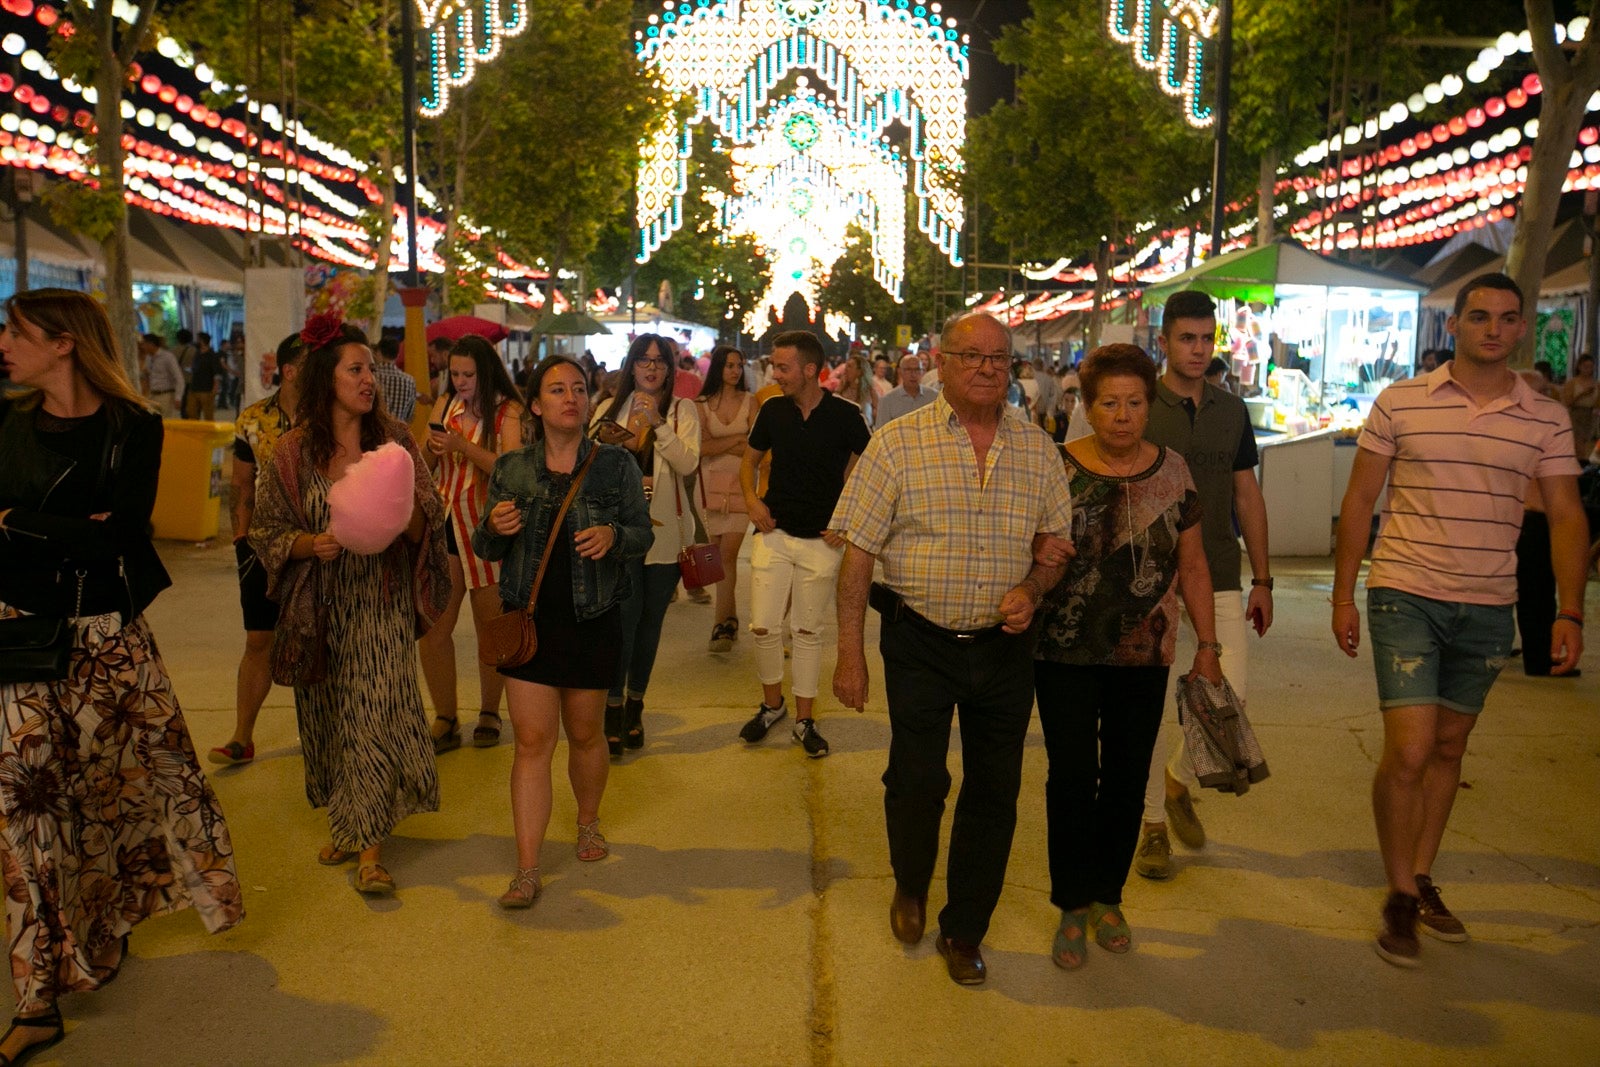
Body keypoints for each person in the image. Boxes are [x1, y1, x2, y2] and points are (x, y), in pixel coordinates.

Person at [0, 288, 244, 1062]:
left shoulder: (133, 428)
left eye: (16, 329)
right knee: (26, 816)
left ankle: (103, 923)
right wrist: (58, 533)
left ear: (64, 342)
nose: (4, 342)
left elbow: (122, 541)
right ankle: (36, 998)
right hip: (19, 639)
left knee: (122, 793)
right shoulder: (1, 425)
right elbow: (81, 538)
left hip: (109, 641)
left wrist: (14, 523)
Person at [1332, 273, 1587, 968]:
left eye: (1508, 318)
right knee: (1411, 749)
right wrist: (1342, 591)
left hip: (1487, 601)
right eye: (1480, 317)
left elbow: (1566, 515)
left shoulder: (1545, 417)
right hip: (1405, 590)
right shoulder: (1401, 401)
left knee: (1448, 748)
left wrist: (1570, 610)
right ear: (1455, 325)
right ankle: (1397, 895)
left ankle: (1419, 873)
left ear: (1521, 328)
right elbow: (1361, 500)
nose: (1494, 329)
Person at [831, 311, 1073, 986]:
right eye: (974, 356)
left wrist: (1034, 584)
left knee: (995, 790)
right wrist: (850, 653)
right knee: (918, 778)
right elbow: (857, 557)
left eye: (1000, 358)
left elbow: (1054, 546)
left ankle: (964, 928)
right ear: (942, 360)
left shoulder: (1035, 448)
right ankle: (910, 881)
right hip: (918, 639)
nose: (989, 369)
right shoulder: (897, 443)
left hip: (1003, 648)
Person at [1033, 343, 1221, 970]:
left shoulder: (1174, 471)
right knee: (1070, 776)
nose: (1122, 415)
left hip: (1146, 650)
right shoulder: (1055, 466)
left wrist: (1209, 648)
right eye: (1109, 403)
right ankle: (1071, 904)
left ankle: (1108, 897)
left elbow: (1194, 565)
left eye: (1134, 403)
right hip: (1062, 650)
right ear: (1087, 407)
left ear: (1149, 406)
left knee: (1125, 778)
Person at [250, 316, 451, 896]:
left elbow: (430, 520)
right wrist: (310, 544)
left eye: (372, 369)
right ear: (326, 377)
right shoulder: (290, 452)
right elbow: (265, 530)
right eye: (356, 369)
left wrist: (401, 513)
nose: (370, 380)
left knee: (371, 713)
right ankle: (349, 816)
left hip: (381, 602)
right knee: (329, 718)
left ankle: (369, 850)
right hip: (318, 605)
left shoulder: (396, 444)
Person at [473, 356, 653, 907]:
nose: (570, 397)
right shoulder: (511, 468)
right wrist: (494, 529)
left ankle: (588, 821)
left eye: (578, 388)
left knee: (585, 735)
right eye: (557, 390)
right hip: (530, 622)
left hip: (594, 617)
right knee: (531, 742)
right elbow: (486, 546)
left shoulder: (615, 465)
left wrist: (613, 535)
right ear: (536, 404)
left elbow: (642, 534)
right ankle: (526, 870)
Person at [1133, 289, 1273, 881]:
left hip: (1216, 568)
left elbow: (1247, 495)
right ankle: (1152, 829)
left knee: (1229, 694)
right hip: (1146, 579)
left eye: (1204, 339)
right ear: (1163, 343)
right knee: (1137, 711)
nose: (1196, 349)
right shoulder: (1138, 405)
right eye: (1185, 338)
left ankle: (1175, 780)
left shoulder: (1232, 412)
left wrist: (1263, 577)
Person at [738, 331, 871, 758]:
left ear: (810, 370)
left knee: (808, 630)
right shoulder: (773, 410)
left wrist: (848, 522)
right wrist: (751, 501)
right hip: (774, 533)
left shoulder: (847, 415)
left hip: (822, 540)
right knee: (763, 624)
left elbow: (870, 470)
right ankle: (772, 705)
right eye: (775, 367)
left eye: (782, 367)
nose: (776, 375)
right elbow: (749, 461)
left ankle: (804, 719)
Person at [591, 334, 701, 756]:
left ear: (670, 370)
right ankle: (612, 708)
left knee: (651, 622)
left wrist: (657, 423)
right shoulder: (607, 409)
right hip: (619, 532)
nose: (651, 368)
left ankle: (635, 706)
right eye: (643, 360)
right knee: (625, 620)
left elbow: (689, 463)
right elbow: (588, 463)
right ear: (631, 365)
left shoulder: (680, 410)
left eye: (659, 362)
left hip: (666, 534)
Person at [419, 335, 526, 753]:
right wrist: (432, 447)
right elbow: (423, 464)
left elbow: (511, 469)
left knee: (492, 629)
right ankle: (445, 716)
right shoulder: (445, 406)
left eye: (468, 374)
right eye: (455, 373)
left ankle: (489, 712)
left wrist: (463, 445)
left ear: (486, 373)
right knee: (434, 628)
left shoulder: (507, 411)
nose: (460, 381)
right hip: (445, 525)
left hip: (488, 530)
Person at [210, 331, 307, 766]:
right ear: (288, 371)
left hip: (317, 543)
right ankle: (241, 736)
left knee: (322, 639)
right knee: (258, 639)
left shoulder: (333, 417)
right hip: (261, 546)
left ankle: (331, 736)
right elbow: (240, 484)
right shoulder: (251, 419)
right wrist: (240, 540)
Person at [696, 344, 758, 652]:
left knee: (728, 555)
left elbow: (757, 447)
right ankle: (729, 617)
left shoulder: (751, 402)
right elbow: (700, 448)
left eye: (739, 365)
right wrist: (736, 440)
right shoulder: (701, 404)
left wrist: (719, 442)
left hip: (742, 486)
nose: (735, 371)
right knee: (715, 557)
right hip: (707, 488)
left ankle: (720, 626)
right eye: (729, 365)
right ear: (717, 367)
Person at [874, 353, 934, 428]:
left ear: (922, 372)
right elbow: (880, 432)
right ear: (900, 371)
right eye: (908, 370)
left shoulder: (933, 397)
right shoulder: (887, 400)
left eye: (917, 370)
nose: (913, 374)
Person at [1559, 352, 1598, 460]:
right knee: (1578, 444)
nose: (1588, 369)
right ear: (1579, 367)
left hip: (1590, 415)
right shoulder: (1572, 383)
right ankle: (1580, 466)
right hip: (1576, 414)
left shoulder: (1596, 383)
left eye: (1591, 367)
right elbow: (1567, 402)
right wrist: (1582, 394)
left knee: (1586, 443)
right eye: (1586, 367)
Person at [373, 336, 419, 423]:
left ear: (379, 352)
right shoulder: (409, 380)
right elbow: (409, 416)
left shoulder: (372, 376)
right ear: (397, 355)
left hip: (375, 431)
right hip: (398, 434)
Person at [139, 333, 183, 417]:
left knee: (166, 422)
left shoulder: (168, 357)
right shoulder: (149, 358)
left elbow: (179, 378)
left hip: (166, 396)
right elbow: (147, 374)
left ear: (151, 344)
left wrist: (178, 397)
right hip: (152, 395)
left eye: (144, 344)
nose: (142, 347)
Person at [185, 332, 222, 420]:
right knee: (191, 413)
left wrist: (215, 388)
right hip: (194, 388)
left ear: (202, 341)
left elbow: (217, 373)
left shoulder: (212, 355)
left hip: (207, 389)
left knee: (208, 416)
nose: (196, 341)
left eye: (198, 339)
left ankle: (209, 433)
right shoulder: (197, 353)